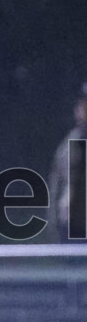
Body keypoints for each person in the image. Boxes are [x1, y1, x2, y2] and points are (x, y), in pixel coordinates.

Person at [48, 82, 87, 242]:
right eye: (82, 103)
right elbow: (56, 182)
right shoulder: (71, 141)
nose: (81, 108)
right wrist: (53, 221)